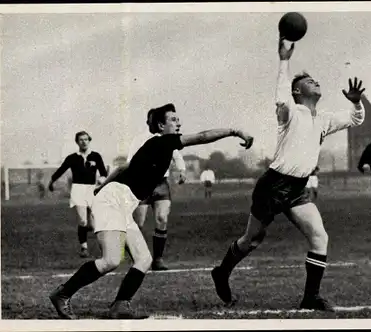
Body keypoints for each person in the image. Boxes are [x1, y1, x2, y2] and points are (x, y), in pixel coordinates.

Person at [49, 104, 254, 319]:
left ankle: (120, 305)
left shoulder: (155, 146)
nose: (179, 123)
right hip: (113, 201)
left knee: (144, 259)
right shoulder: (163, 141)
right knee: (111, 260)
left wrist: (101, 187)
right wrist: (235, 131)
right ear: (160, 125)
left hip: (121, 203)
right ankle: (62, 294)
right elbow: (202, 136)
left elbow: (121, 168)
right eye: (173, 120)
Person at [211, 36, 366, 312]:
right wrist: (284, 60)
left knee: (320, 237)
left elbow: (355, 119)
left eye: (315, 80)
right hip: (273, 185)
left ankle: (311, 297)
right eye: (309, 81)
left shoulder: (325, 118)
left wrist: (356, 102)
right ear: (297, 92)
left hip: (297, 189)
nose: (315, 82)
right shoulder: (290, 112)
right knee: (252, 240)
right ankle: (222, 272)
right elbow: (281, 94)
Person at [127, 105, 187, 271]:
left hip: (161, 184)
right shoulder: (140, 139)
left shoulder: (168, 138)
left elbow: (176, 154)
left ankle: (158, 259)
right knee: (138, 223)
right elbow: (130, 162)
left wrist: (182, 170)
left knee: (162, 219)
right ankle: (138, 258)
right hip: (143, 184)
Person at [48, 131, 108, 257]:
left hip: (93, 190)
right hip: (78, 190)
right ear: (77, 142)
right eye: (81, 139)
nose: (84, 142)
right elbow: (61, 170)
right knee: (82, 221)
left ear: (89, 140)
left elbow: (103, 173)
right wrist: (52, 181)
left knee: (94, 223)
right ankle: (84, 248)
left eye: (86, 139)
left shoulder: (96, 156)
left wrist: (102, 179)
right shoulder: (72, 158)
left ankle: (104, 247)